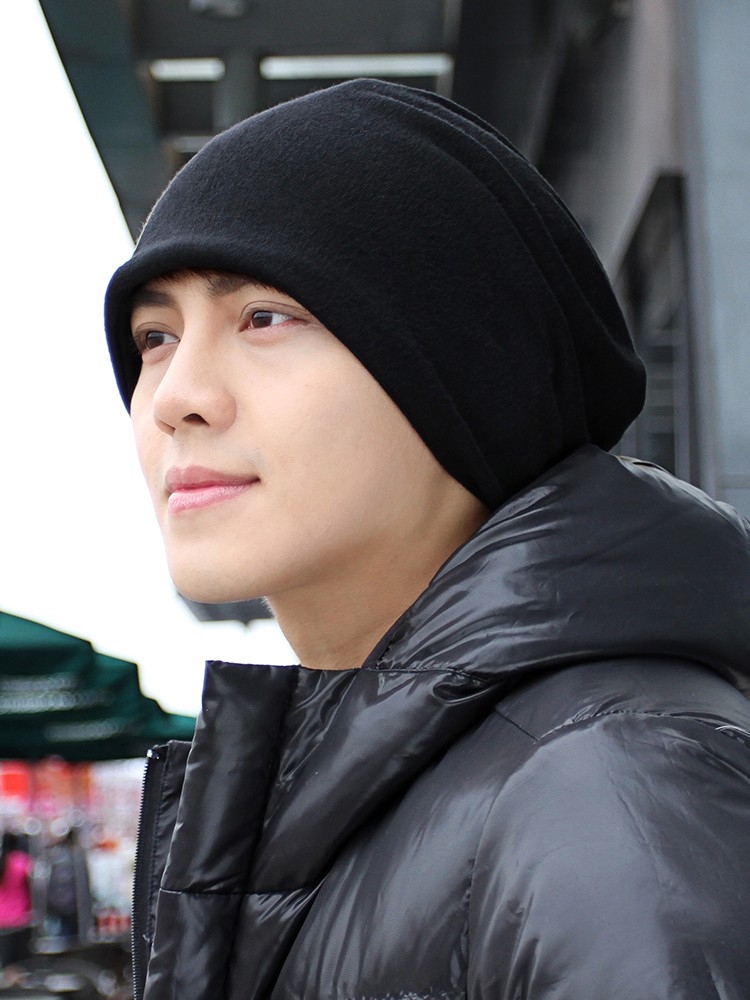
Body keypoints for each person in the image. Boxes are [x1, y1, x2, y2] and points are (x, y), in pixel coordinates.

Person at [104, 80, 750, 1000]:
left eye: (264, 317)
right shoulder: (390, 789)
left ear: (463, 369)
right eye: (155, 336)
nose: (175, 398)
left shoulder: (612, 788)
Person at [0, 832, 33, 970]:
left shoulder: (3, 861)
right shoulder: (21, 861)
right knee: (18, 959)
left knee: (5, 956)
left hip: (2, 917)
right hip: (19, 917)